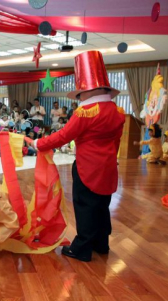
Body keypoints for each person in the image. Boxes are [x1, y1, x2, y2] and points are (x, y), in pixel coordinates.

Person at [33, 51, 125, 262]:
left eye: (80, 93)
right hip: (108, 166)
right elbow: (116, 141)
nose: (79, 97)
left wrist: (38, 143)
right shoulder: (118, 112)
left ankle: (81, 248)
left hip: (87, 167)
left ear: (89, 91)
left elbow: (64, 136)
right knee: (102, 206)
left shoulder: (86, 112)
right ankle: (101, 244)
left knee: (85, 206)